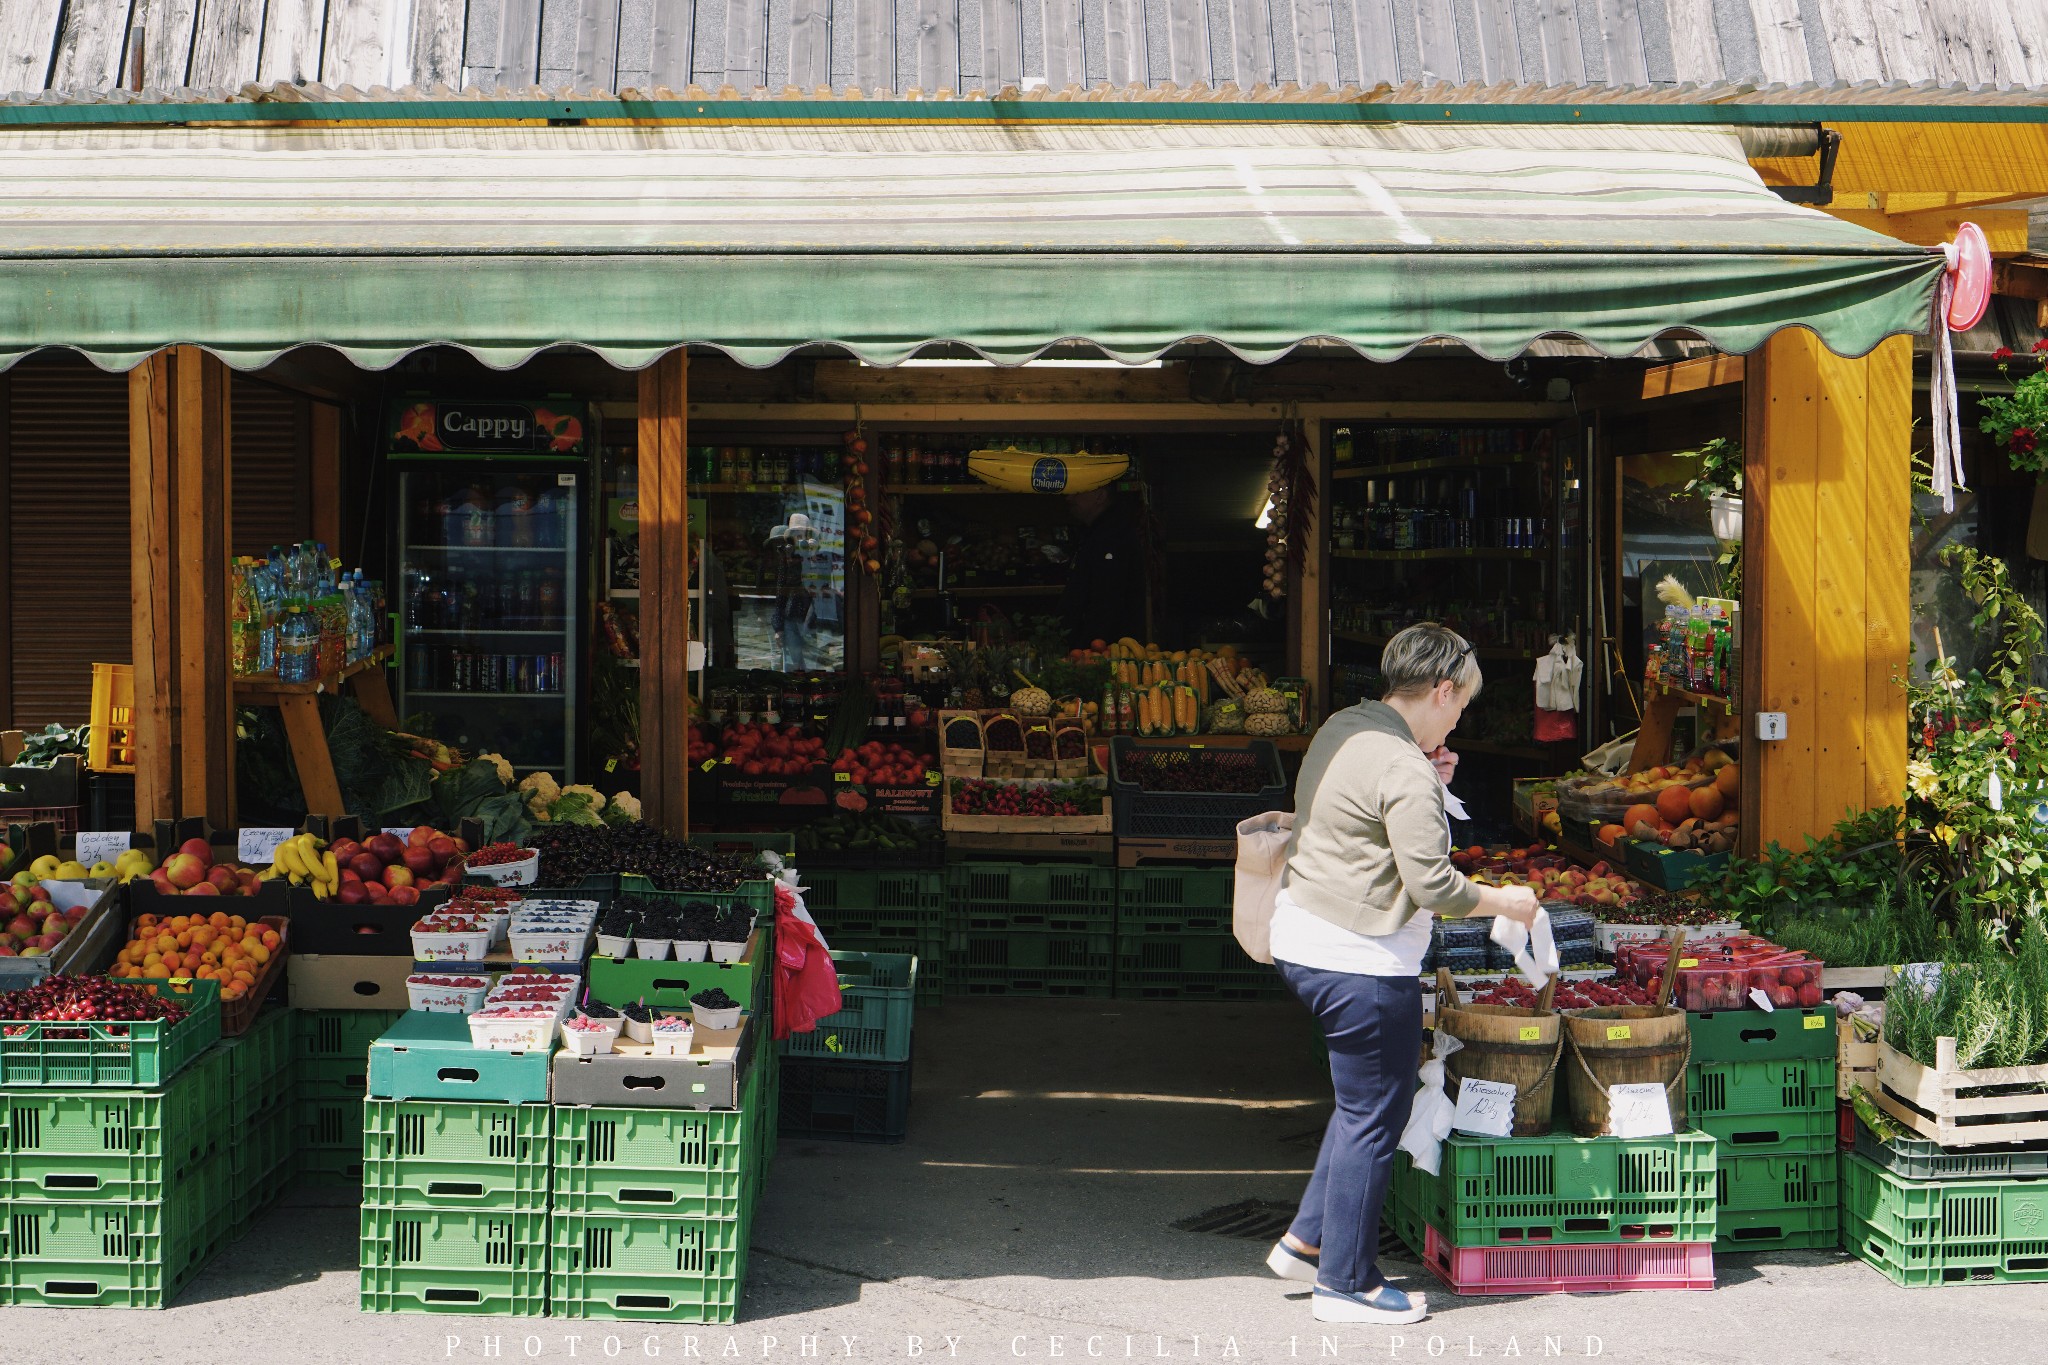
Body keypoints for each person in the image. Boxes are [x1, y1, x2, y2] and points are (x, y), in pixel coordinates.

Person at [1263, 623, 1541, 1325]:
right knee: (1374, 1113)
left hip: (1304, 934)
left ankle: (1307, 1238)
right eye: (1461, 704)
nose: (1458, 719)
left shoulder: (1349, 726)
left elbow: (1364, 810)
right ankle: (1345, 1284)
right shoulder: (1406, 767)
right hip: (1361, 960)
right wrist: (1504, 901)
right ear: (1442, 689)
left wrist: (1426, 775)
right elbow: (1436, 885)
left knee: (1363, 1103)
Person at [1058, 486, 1146, 648]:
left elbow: (1107, 601)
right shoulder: (1092, 533)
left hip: (1105, 649)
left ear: (1101, 496)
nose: (1069, 498)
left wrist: (1089, 645)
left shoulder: (1113, 536)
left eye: (1077, 492)